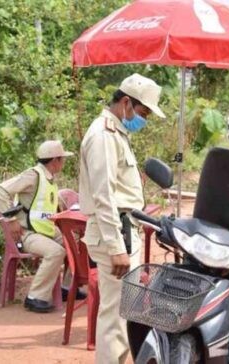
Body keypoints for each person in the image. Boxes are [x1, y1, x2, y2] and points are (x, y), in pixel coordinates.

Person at [79, 73, 165, 364]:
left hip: (124, 229)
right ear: (126, 102)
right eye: (143, 113)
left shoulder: (116, 133)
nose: (144, 120)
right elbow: (104, 196)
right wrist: (116, 246)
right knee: (116, 317)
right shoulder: (103, 135)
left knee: (123, 313)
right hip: (115, 233)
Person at [0, 140, 74, 313]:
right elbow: (0, 190)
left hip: (46, 230)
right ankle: (35, 297)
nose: (63, 162)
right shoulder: (33, 176)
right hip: (28, 233)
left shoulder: (49, 179)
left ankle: (67, 288)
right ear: (55, 161)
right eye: (62, 159)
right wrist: (11, 219)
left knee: (78, 242)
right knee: (56, 252)